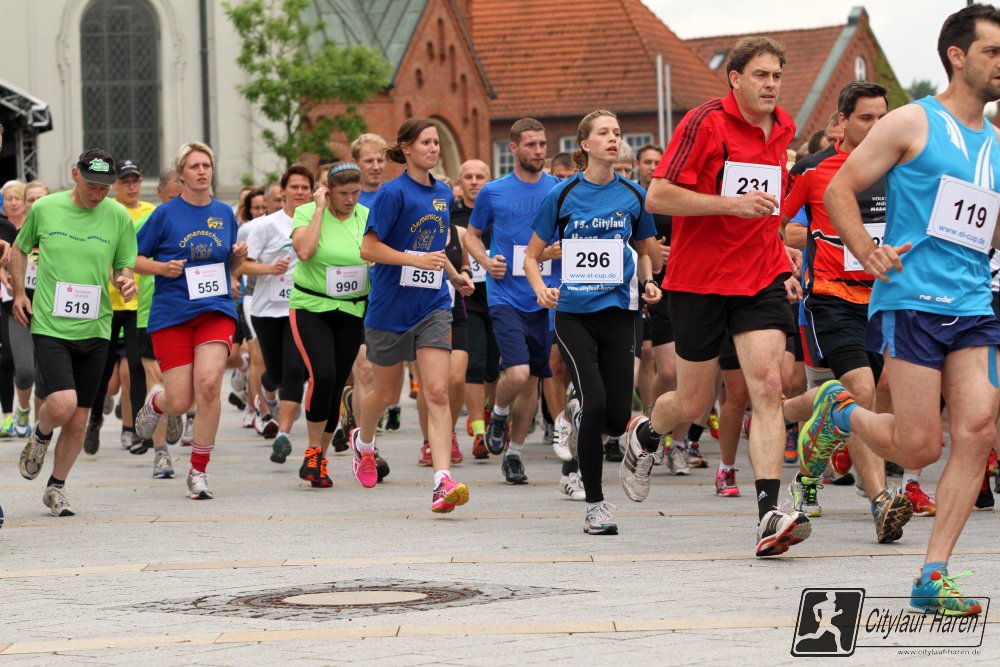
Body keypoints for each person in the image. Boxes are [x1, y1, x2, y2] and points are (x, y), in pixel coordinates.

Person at [800, 3, 1000, 616]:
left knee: (977, 431)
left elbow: (988, 230)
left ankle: (933, 574)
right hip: (911, 300)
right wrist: (866, 249)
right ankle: (840, 410)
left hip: (974, 303)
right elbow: (840, 187)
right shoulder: (913, 121)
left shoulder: (995, 143)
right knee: (917, 449)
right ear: (957, 56)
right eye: (993, 51)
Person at [619, 37, 811, 558]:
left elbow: (767, 207)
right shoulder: (705, 122)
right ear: (735, 78)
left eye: (777, 76)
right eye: (761, 75)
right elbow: (658, 195)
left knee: (766, 387)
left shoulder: (784, 128)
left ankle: (769, 514)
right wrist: (731, 205)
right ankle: (646, 435)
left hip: (761, 276)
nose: (771, 85)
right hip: (700, 280)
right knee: (692, 401)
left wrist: (780, 248)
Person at [779, 81, 917, 542]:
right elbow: (775, 224)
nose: (877, 126)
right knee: (859, 390)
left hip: (884, 301)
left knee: (854, 396)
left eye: (882, 118)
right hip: (832, 298)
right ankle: (879, 501)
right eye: (865, 118)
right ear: (842, 121)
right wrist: (784, 267)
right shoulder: (813, 169)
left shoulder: (902, 168)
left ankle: (789, 412)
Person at [527, 110, 660, 534]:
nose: (613, 138)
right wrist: (540, 288)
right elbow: (532, 255)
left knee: (617, 418)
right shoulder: (563, 194)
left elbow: (645, 251)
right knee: (597, 402)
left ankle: (577, 412)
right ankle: (596, 507)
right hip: (574, 314)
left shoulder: (634, 194)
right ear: (585, 144)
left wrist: (649, 282)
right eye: (604, 133)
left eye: (617, 132)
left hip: (619, 312)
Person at [356, 117, 474, 511]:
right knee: (385, 394)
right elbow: (368, 249)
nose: (434, 149)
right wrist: (414, 259)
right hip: (390, 307)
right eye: (426, 142)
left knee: (437, 392)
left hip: (433, 305)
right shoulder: (392, 194)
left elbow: (435, 249)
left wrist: (454, 276)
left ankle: (442, 480)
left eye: (436, 142)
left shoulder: (443, 193)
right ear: (406, 148)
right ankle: (364, 442)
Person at [12, 148, 135, 517]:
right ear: (75, 175)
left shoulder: (117, 215)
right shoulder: (45, 208)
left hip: (96, 326)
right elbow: (19, 250)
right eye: (92, 185)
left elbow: (124, 265)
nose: (98, 193)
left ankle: (56, 487)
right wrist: (19, 294)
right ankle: (40, 434)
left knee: (80, 417)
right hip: (51, 324)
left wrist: (125, 281)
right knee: (63, 403)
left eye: (105, 187)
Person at [134, 141, 246, 500]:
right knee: (180, 401)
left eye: (206, 165)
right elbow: (133, 259)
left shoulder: (224, 213)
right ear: (181, 174)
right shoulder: (165, 215)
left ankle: (198, 470)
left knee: (209, 384)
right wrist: (161, 268)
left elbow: (229, 266)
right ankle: (157, 401)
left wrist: (237, 259)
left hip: (215, 310)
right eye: (194, 166)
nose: (202, 171)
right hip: (173, 314)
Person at [466, 118, 561, 485]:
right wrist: (486, 260)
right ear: (514, 148)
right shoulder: (493, 191)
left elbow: (569, 236)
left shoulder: (558, 190)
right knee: (517, 373)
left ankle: (515, 454)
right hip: (505, 294)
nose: (538, 151)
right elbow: (473, 235)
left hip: (544, 297)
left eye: (542, 144)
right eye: (531, 144)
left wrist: (557, 251)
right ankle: (499, 411)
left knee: (533, 380)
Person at [289, 162, 369, 488]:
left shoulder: (366, 215)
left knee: (336, 384)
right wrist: (320, 209)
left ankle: (319, 459)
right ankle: (311, 451)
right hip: (312, 306)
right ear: (328, 191)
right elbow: (305, 251)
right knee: (321, 375)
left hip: (352, 308)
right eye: (343, 193)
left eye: (355, 193)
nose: (350, 200)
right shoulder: (307, 212)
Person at [84, 159, 156, 455]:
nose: (131, 186)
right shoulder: (106, 210)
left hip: (137, 303)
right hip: (106, 304)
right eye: (125, 181)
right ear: (115, 185)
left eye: (135, 180)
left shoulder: (151, 212)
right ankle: (95, 420)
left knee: (136, 368)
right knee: (102, 371)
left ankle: (137, 429)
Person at [243, 166, 313, 465]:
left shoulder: (318, 222)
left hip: (302, 307)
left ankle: (283, 434)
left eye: (305, 187)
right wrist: (270, 269)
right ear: (283, 191)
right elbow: (242, 265)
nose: (300, 192)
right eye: (294, 187)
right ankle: (268, 386)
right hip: (266, 309)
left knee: (296, 369)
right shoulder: (265, 225)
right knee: (276, 372)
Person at [134, 168, 184, 478]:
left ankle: (175, 406)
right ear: (160, 195)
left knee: (182, 384)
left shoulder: (201, 222)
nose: (180, 202)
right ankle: (161, 453)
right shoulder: (146, 223)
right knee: (157, 379)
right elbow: (126, 260)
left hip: (190, 313)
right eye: (174, 197)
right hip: (151, 313)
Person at [450, 160, 497, 460]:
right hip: (468, 301)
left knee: (494, 368)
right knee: (475, 364)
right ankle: (479, 430)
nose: (474, 181)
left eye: (480, 176)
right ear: (460, 182)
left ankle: (490, 412)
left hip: (500, 297)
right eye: (468, 177)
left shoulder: (498, 210)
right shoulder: (451, 215)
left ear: (489, 181)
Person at [353, 133, 388, 208]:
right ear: (355, 163)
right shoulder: (349, 202)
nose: (376, 167)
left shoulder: (395, 196)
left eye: (380, 161)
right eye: (369, 161)